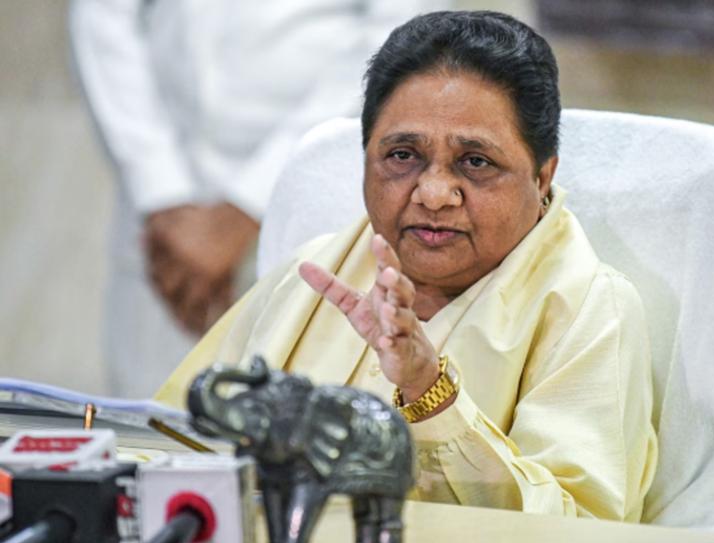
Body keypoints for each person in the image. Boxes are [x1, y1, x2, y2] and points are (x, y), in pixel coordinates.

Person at [157, 11, 658, 520]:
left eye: (476, 162)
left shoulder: (590, 309)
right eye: (402, 155)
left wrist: (429, 394)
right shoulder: (314, 273)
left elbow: (583, 535)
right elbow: (166, 446)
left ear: (542, 176)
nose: (434, 193)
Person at [69, 0, 446, 399]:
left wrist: (252, 199)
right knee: (152, 414)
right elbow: (102, 16)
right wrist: (159, 184)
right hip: (169, 215)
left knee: (320, 411)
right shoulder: (163, 199)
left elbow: (400, 34)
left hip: (328, 187)